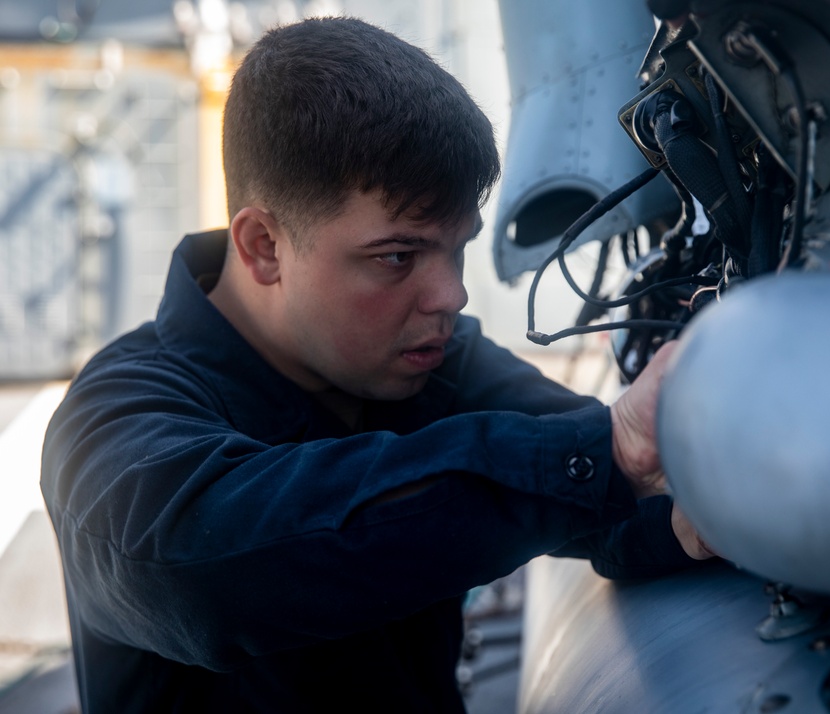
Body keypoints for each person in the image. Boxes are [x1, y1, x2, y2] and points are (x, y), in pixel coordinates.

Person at [41, 16, 713, 713]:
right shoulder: (113, 418)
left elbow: (603, 492)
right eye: (398, 256)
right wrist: (604, 454)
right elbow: (198, 572)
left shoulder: (436, 364)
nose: (451, 295)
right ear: (264, 245)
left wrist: (688, 512)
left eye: (456, 250)